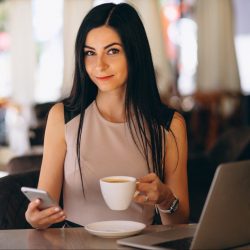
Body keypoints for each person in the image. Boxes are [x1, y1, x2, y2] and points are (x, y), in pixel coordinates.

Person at [25, 2, 189, 229]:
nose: (99, 65)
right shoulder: (62, 117)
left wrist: (165, 199)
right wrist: (35, 218)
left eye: (112, 51)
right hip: (75, 245)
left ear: (134, 53)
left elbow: (179, 223)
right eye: (90, 53)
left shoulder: (170, 125)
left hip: (140, 245)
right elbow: (43, 207)